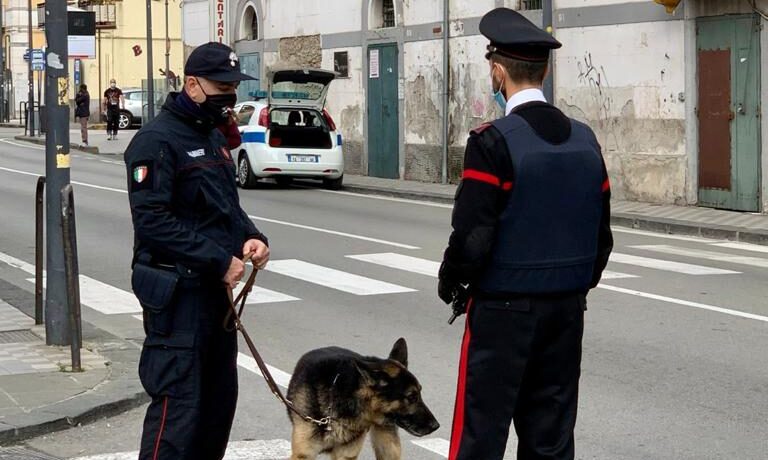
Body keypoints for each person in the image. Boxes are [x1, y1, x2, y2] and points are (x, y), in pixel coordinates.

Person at [438, 8, 613, 460]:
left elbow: (473, 236)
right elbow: (602, 236)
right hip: (567, 310)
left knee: (481, 433)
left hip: (503, 312)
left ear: (497, 72)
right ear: (546, 69)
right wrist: (573, 285)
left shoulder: (492, 142)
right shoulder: (585, 139)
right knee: (551, 437)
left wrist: (451, 278)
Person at [124, 42, 270, 460]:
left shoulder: (211, 135)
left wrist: (251, 237)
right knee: (178, 413)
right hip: (177, 294)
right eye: (221, 85)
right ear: (191, 84)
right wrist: (218, 259)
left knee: (216, 409)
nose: (230, 94)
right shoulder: (156, 141)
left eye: (233, 85)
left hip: (214, 298)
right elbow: (152, 221)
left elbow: (226, 208)